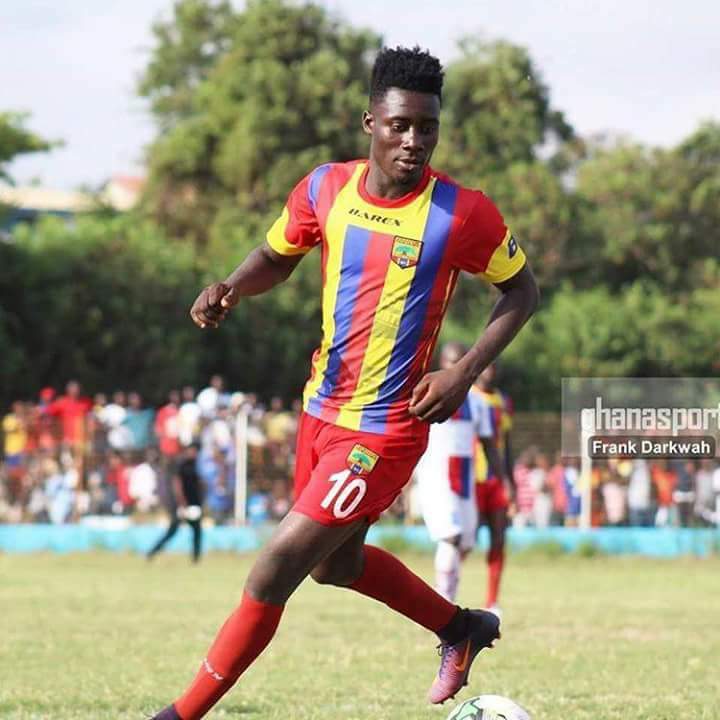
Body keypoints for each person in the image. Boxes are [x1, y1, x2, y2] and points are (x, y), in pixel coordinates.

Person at [151, 46, 538, 720]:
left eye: (427, 128)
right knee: (334, 565)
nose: (414, 141)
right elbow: (277, 254)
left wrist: (463, 371)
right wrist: (232, 285)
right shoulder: (324, 188)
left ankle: (177, 716)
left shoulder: (461, 213)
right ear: (370, 123)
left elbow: (522, 290)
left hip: (385, 430)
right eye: (400, 125)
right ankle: (460, 627)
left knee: (275, 568)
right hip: (320, 411)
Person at [416, 342, 505, 602]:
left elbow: (489, 446)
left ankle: (446, 598)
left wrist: (503, 483)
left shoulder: (478, 403)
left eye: (460, 361)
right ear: (441, 363)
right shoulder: (427, 395)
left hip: (465, 477)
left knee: (465, 542)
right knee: (451, 536)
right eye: (450, 361)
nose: (454, 367)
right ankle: (441, 601)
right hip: (436, 475)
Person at [470, 363, 516, 617]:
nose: (489, 371)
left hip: (495, 480)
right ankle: (446, 592)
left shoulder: (504, 402)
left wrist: (510, 480)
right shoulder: (466, 396)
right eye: (485, 367)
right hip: (470, 479)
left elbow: (506, 444)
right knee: (464, 541)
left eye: (493, 366)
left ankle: (492, 600)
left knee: (499, 538)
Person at [147, 444, 204, 563]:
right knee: (173, 531)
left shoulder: (194, 464)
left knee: (196, 530)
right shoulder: (181, 465)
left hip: (192, 505)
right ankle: (152, 552)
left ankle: (196, 558)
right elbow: (177, 485)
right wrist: (182, 503)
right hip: (182, 505)